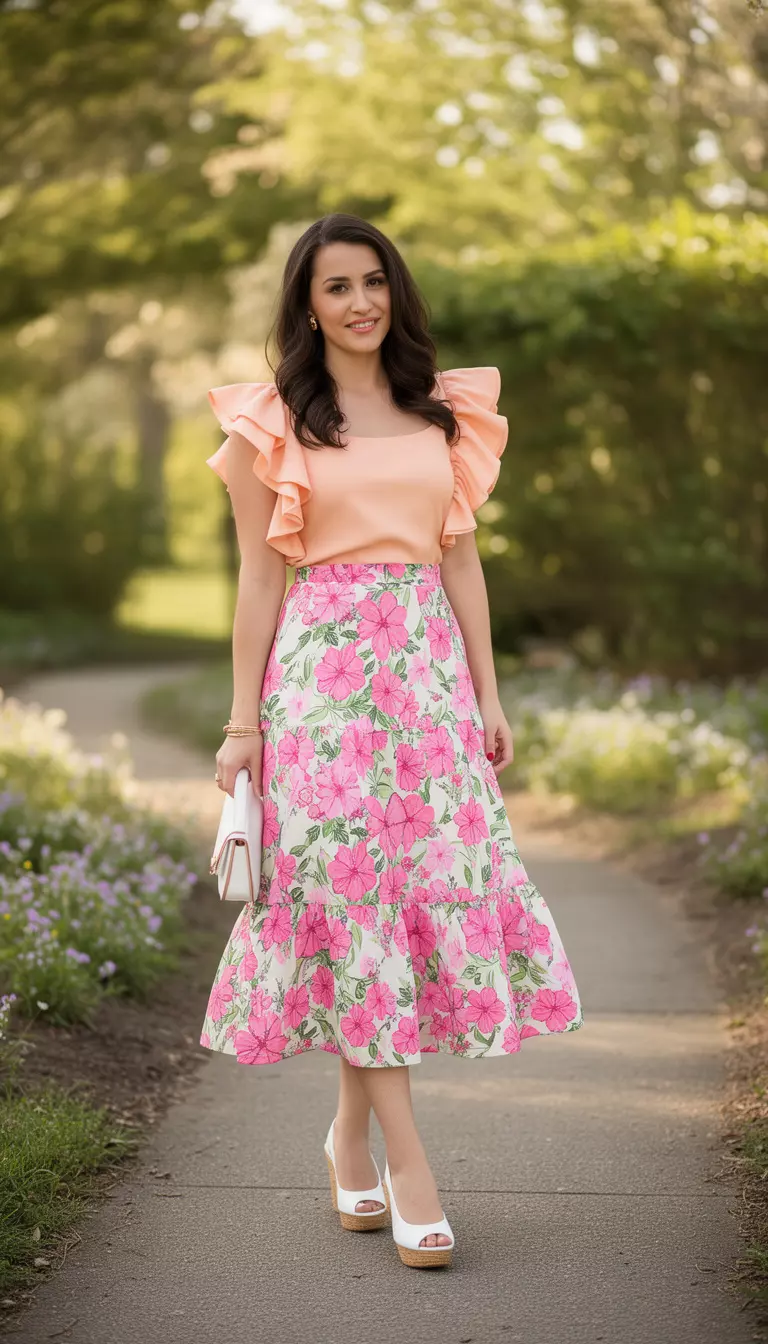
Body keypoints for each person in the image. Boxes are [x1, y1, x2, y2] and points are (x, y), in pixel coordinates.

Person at [200, 212, 583, 1269]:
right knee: (347, 898)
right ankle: (411, 1167)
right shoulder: (268, 427)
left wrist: (489, 696)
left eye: (374, 281)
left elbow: (461, 562)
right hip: (318, 688)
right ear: (306, 305)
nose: (360, 301)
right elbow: (257, 581)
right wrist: (243, 727)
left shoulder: (442, 413)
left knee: (401, 901)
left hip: (426, 685)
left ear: (394, 292)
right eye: (337, 287)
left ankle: (348, 1140)